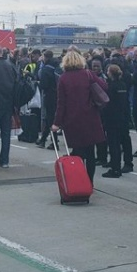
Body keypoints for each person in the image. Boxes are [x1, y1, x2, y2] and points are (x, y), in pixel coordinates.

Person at [52, 49, 107, 183]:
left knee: (77, 153)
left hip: (72, 120)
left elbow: (61, 103)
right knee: (90, 154)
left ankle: (79, 182)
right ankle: (90, 182)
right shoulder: (88, 74)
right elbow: (104, 87)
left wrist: (56, 123)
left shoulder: (63, 78)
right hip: (90, 118)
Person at [101, 63, 132, 178]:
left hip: (112, 119)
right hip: (123, 117)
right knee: (125, 141)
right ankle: (128, 162)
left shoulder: (110, 87)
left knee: (114, 144)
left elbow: (107, 104)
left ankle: (115, 168)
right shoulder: (123, 85)